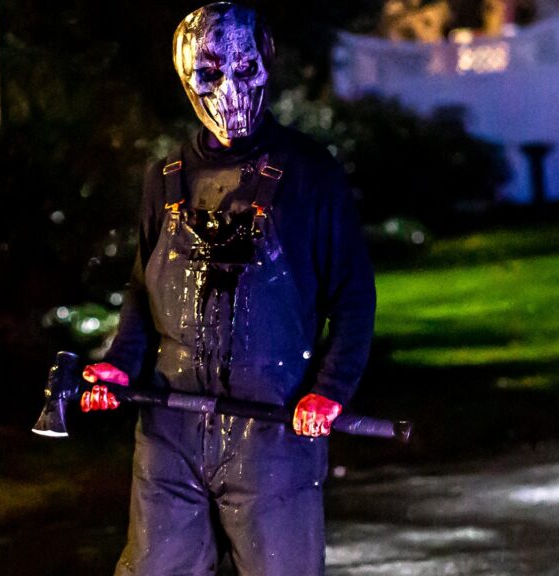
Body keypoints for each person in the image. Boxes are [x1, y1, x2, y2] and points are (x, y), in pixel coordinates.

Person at [81, 3, 375, 574]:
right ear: (184, 77)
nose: (230, 90)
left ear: (266, 64)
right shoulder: (165, 178)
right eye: (210, 72)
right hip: (170, 429)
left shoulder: (310, 173)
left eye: (245, 69)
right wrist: (120, 364)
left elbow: (354, 295)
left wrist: (330, 389)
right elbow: (143, 289)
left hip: (274, 429)